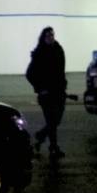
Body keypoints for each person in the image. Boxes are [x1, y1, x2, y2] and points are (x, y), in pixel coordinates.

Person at [24, 27, 66, 158]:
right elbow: (29, 74)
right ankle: (53, 147)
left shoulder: (59, 49)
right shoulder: (39, 53)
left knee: (56, 121)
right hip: (46, 94)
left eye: (52, 35)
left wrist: (63, 85)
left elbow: (61, 71)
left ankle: (41, 135)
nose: (50, 37)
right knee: (52, 121)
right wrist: (40, 88)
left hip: (59, 92)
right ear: (43, 38)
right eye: (48, 35)